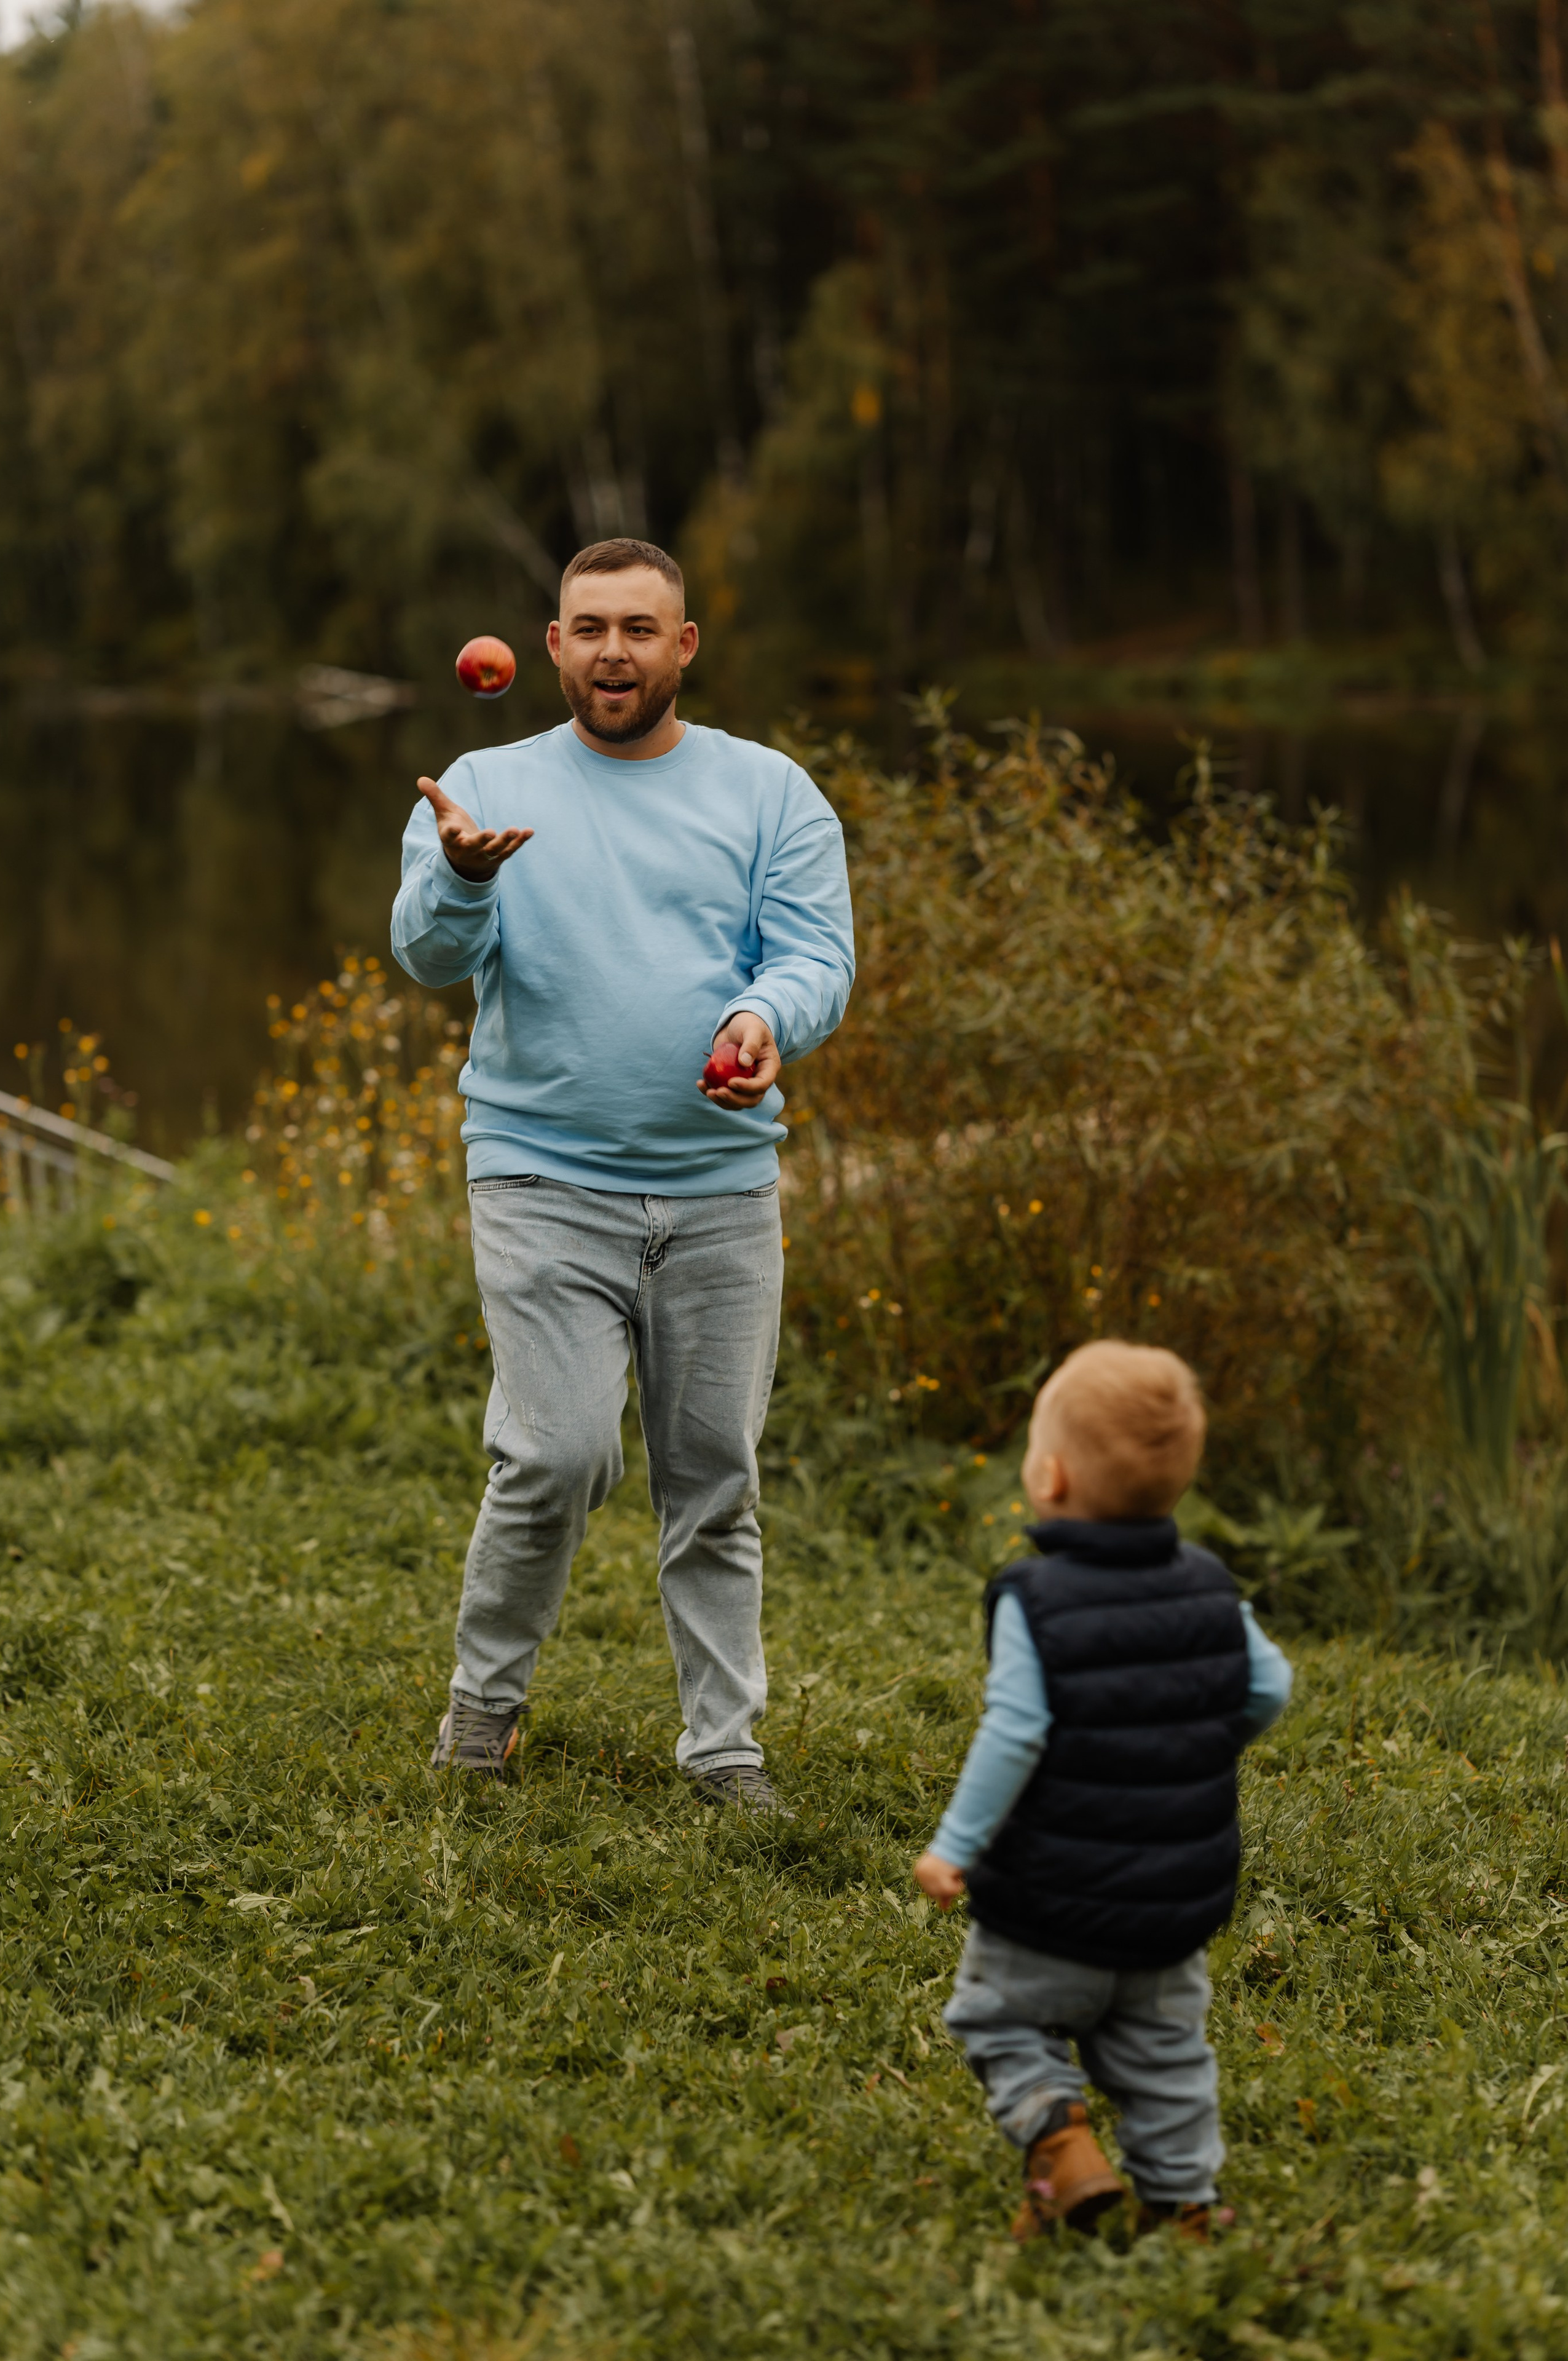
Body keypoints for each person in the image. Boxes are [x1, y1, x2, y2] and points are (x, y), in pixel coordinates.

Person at [391, 537, 854, 1810]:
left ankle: (724, 1754)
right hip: (540, 1180)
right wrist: (467, 878)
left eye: (638, 629)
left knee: (714, 1477)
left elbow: (816, 954)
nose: (612, 651)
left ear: (682, 647)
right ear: (550, 647)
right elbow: (427, 954)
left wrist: (766, 1022)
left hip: (719, 1191)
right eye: (588, 627)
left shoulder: (768, 792)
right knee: (552, 1458)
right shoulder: (481, 784)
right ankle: (481, 1717)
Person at [913, 1340, 1292, 2240]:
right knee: (1165, 2058)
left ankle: (1061, 2144)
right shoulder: (1210, 1585)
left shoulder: (1034, 1596)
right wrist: (1196, 1740)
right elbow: (1269, 1687)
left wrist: (953, 1846)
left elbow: (1016, 1730)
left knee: (998, 2021)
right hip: (1171, 1908)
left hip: (1048, 1900)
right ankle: (1183, 2208)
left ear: (1046, 1476)